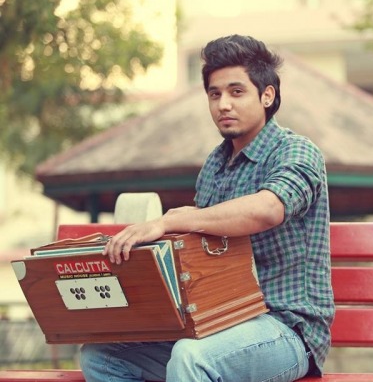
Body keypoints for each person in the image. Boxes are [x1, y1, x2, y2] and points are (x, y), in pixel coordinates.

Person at [79, 34, 335, 382]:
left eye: (236, 91)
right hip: (218, 322)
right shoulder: (214, 165)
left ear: (267, 95)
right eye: (214, 94)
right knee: (103, 355)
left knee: (192, 358)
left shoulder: (297, 151)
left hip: (287, 330)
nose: (223, 104)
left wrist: (173, 219)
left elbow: (268, 209)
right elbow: (199, 253)